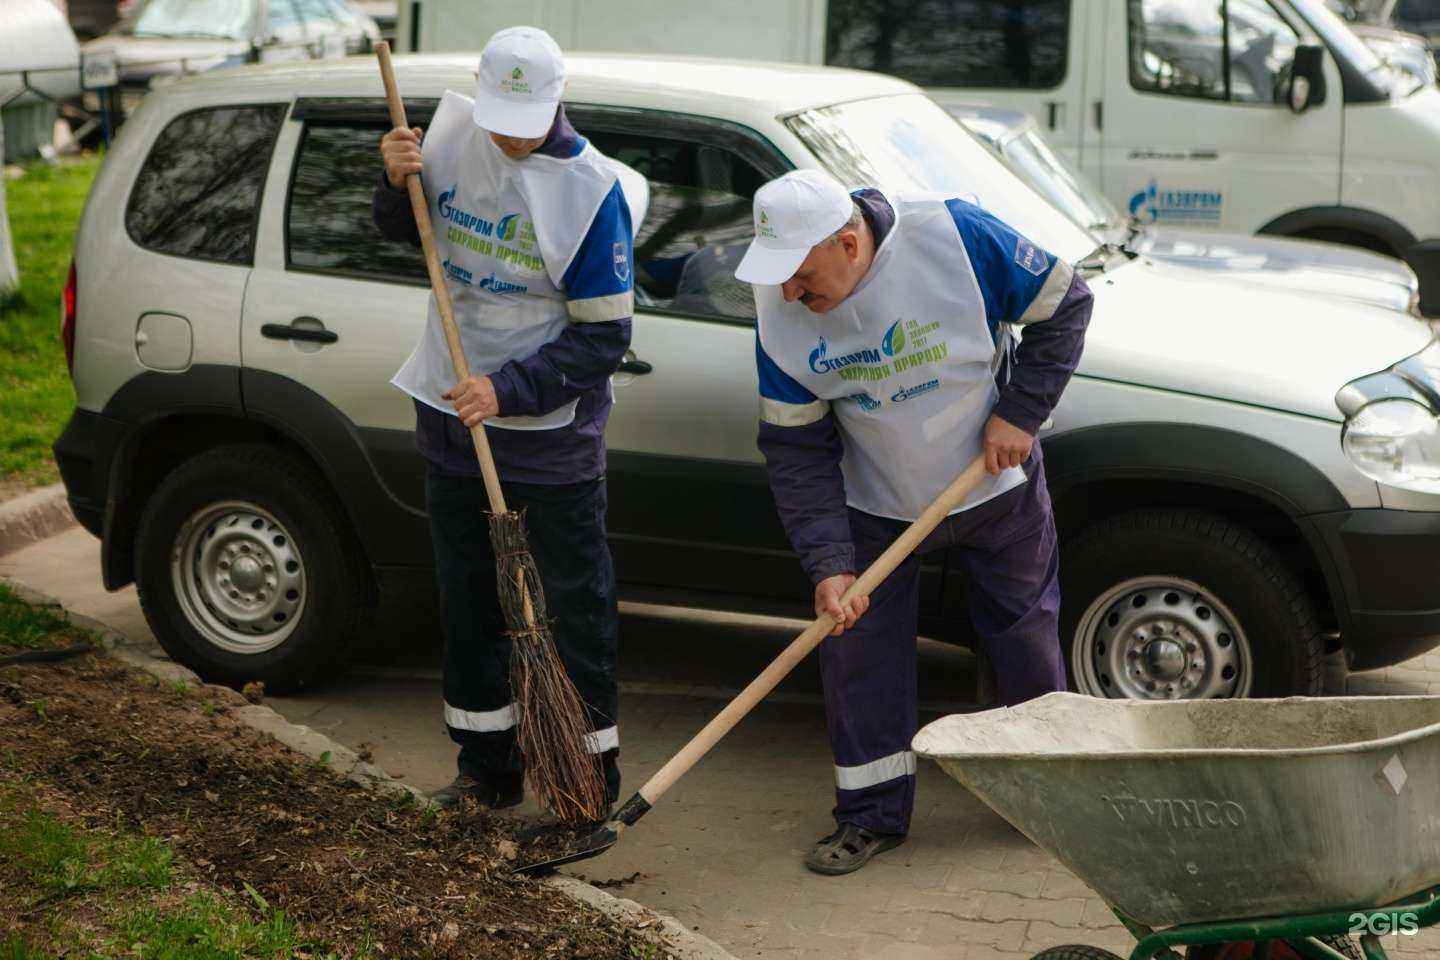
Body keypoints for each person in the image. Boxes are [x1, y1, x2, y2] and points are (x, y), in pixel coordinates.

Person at [735, 169, 1092, 874]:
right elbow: (796, 447)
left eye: (803, 277)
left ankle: (1046, 798)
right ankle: (870, 815)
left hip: (997, 488)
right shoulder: (779, 307)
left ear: (848, 243)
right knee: (861, 656)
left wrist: (1020, 412)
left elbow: (1067, 305)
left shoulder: (955, 237)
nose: (789, 295)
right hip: (876, 507)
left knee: (1024, 642)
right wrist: (829, 563)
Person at [372, 26, 634, 812]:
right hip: (454, 419)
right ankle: (487, 770)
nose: (508, 136)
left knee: (571, 608)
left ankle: (586, 780)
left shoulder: (591, 194)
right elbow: (399, 233)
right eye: (498, 117)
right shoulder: (450, 136)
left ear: (556, 104)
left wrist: (509, 389)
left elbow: (604, 339)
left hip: (551, 438)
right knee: (469, 601)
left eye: (524, 120)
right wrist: (394, 183)